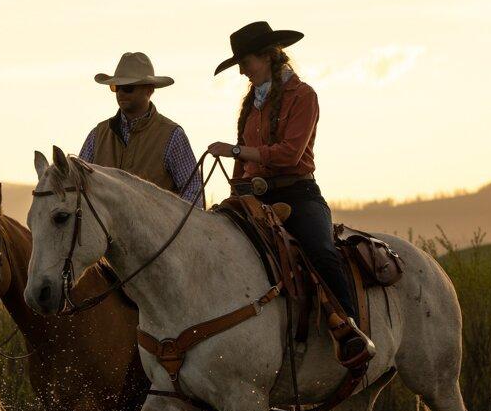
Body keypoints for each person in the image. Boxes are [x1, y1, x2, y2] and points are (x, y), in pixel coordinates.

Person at [206, 22, 375, 366]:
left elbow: (288, 154)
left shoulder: (304, 96)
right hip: (254, 197)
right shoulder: (253, 103)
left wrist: (236, 152)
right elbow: (245, 161)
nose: (241, 70)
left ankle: (349, 328)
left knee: (321, 250)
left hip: (297, 194)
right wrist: (236, 190)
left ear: (268, 56)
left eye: (246, 62)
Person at [80, 52, 204, 207]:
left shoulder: (172, 135)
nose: (121, 93)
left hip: (159, 231)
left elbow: (193, 191)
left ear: (149, 90)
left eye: (128, 87)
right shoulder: (97, 135)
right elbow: (79, 185)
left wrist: (170, 227)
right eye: (116, 87)